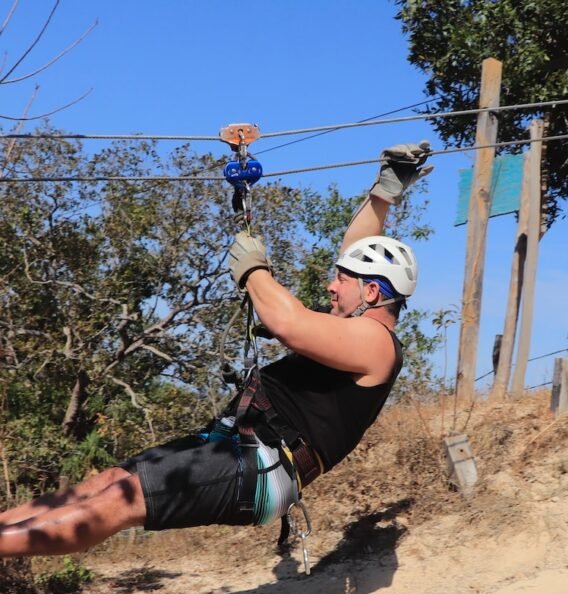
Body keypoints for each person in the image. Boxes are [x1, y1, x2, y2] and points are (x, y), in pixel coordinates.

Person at [0, 142, 432, 558]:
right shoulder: (351, 323)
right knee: (112, 481)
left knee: (119, 501)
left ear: (372, 292)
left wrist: (254, 271)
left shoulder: (377, 345)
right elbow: (355, 248)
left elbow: (288, 324)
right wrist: (384, 193)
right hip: (238, 442)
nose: (330, 285)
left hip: (263, 465)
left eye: (341, 280)